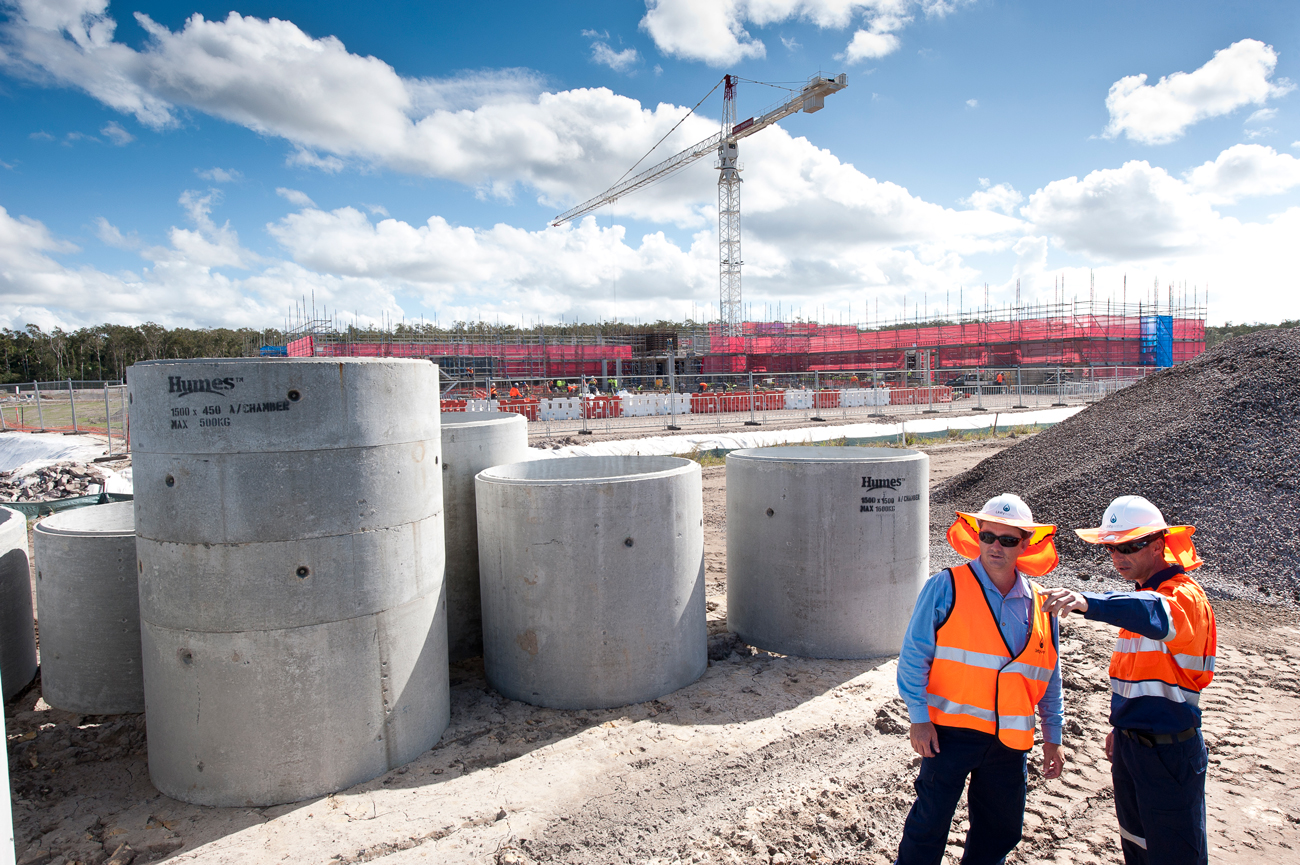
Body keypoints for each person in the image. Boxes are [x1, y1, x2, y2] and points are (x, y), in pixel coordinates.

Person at [1041, 496, 1215, 865]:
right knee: (1137, 848)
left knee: (1174, 856)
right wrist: (1121, 728)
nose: (1118, 556)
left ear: (1157, 546)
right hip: (1132, 748)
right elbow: (1137, 680)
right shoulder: (1140, 598)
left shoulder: (1183, 597)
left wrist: (1088, 602)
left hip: (1169, 753)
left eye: (1128, 546)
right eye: (1111, 548)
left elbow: (1156, 613)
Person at [896, 493, 1066, 865]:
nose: (995, 547)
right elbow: (913, 659)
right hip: (949, 735)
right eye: (988, 536)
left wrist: (1053, 736)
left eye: (1007, 540)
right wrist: (919, 719)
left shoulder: (1042, 605)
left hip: (1010, 741)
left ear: (1024, 544)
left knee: (999, 832)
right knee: (928, 827)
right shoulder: (945, 586)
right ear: (978, 536)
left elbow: (1049, 676)